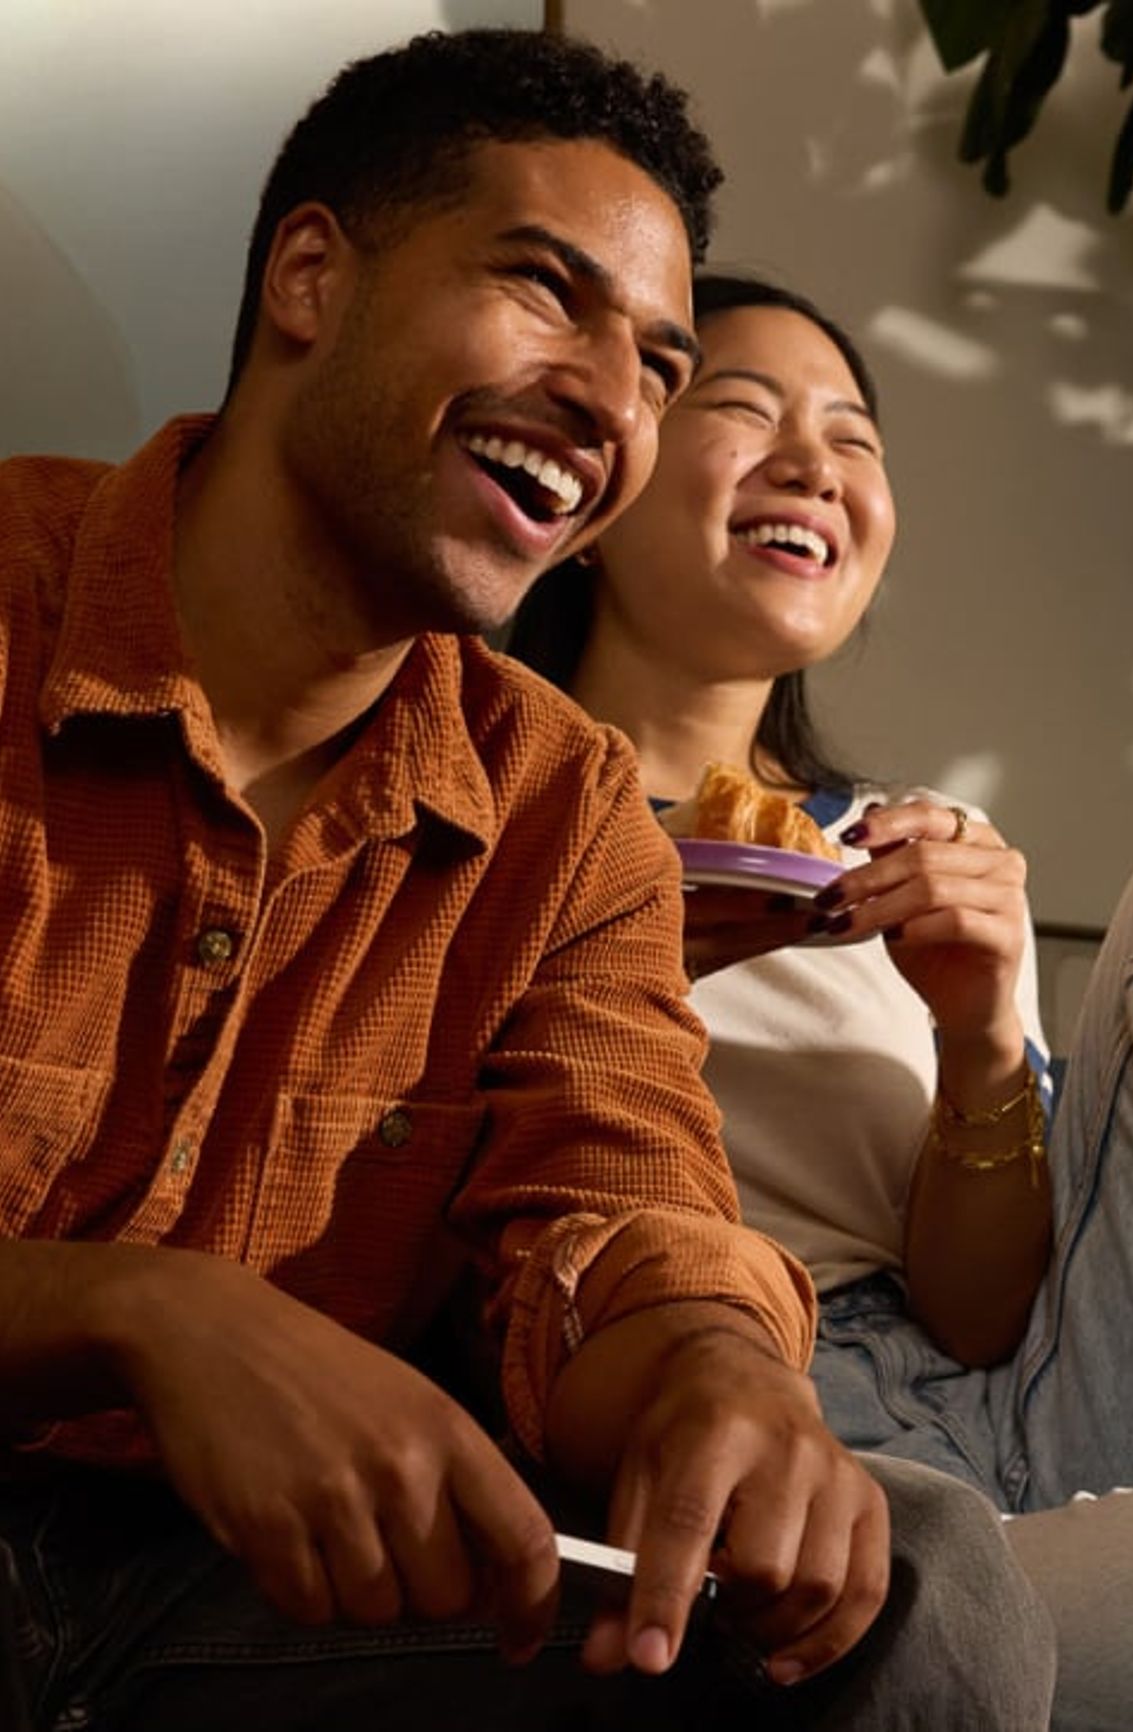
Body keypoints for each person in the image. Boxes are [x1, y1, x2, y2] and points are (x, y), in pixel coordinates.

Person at [0, 35, 1059, 1732]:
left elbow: (618, 1193)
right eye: (547, 295)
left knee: (910, 1574)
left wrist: (716, 1375)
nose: (608, 401)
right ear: (310, 277)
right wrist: (134, 1311)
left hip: (235, 1604)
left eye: (655, 362)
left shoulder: (562, 805)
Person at [506, 270, 1133, 1728]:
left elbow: (980, 1313)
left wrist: (979, 1034)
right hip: (761, 1422)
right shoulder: (482, 816)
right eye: (745, 409)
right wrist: (618, 960)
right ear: (606, 484)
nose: (814, 463)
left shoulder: (900, 842)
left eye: (855, 440)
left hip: (1033, 1396)